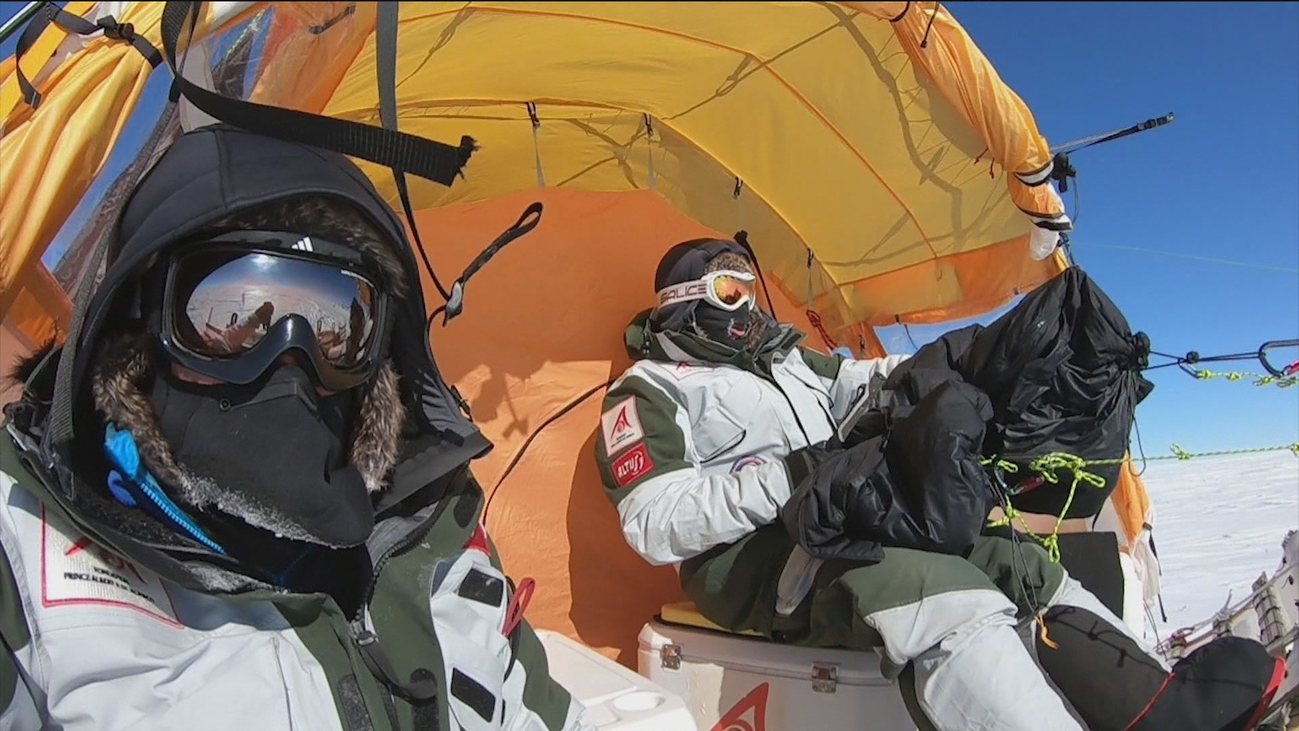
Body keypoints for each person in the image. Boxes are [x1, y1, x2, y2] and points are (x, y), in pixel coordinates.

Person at [0, 125, 589, 731]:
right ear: (140, 324)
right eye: (232, 323)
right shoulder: (19, 545)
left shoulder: (432, 528)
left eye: (335, 326)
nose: (290, 359)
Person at [595, 236, 1283, 731]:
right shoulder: (650, 388)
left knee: (1014, 559)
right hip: (753, 564)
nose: (746, 302)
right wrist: (795, 474)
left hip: (844, 520)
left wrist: (964, 355)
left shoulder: (788, 360)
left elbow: (863, 385)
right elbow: (652, 522)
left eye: (748, 284)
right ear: (683, 300)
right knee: (937, 592)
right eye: (727, 289)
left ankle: (1155, 708)